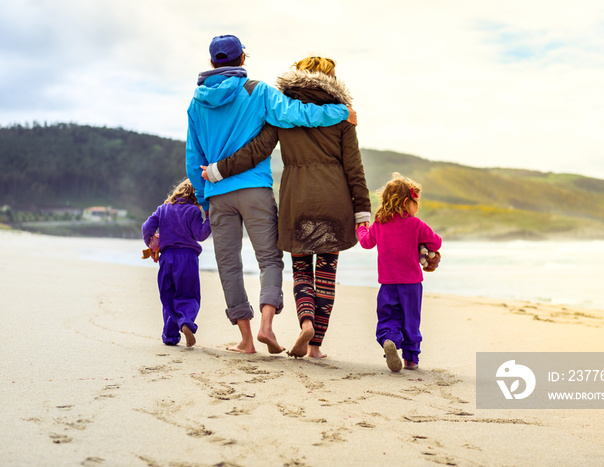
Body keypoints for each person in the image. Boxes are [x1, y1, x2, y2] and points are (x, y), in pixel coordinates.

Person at [186, 35, 357, 355]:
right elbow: (297, 114)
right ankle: (268, 325)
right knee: (269, 260)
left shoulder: (196, 104)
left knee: (229, 265)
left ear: (212, 64)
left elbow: (193, 157)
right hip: (256, 191)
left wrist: (203, 196)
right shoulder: (258, 92)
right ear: (242, 60)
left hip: (218, 192)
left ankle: (247, 339)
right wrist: (340, 113)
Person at [356, 173, 442, 372]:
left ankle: (390, 339)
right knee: (411, 320)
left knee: (389, 317)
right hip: (411, 285)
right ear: (406, 202)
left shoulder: (379, 223)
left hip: (387, 285)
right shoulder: (416, 224)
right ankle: (410, 359)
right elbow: (436, 242)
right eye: (415, 203)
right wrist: (424, 244)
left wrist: (361, 228)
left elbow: (367, 242)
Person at [142, 179, 212, 347]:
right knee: (188, 295)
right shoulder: (193, 211)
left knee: (169, 296)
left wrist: (151, 243)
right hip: (188, 259)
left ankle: (170, 336)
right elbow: (200, 235)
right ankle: (186, 322)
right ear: (196, 197)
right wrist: (210, 219)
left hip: (167, 258)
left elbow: (146, 227)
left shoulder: (163, 209)